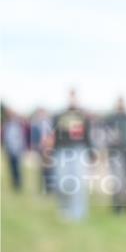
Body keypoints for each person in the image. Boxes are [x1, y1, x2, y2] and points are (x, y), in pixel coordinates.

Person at [48, 90, 93, 221]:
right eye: (70, 97)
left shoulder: (83, 116)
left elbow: (87, 136)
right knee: (61, 182)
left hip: (78, 150)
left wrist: (91, 153)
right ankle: (64, 209)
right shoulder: (59, 115)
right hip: (62, 151)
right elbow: (54, 136)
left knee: (78, 183)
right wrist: (51, 152)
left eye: (74, 97)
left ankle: (79, 213)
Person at [103, 97, 126, 213]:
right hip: (116, 153)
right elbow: (107, 136)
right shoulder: (111, 120)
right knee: (118, 179)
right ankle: (118, 205)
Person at [29, 108, 55, 194]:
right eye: (40, 114)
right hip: (40, 150)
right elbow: (33, 138)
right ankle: (43, 188)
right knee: (42, 170)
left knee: (50, 169)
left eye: (43, 113)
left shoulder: (51, 124)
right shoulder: (35, 125)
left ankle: (50, 188)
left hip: (50, 150)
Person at [2, 107, 27, 192]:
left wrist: (20, 149)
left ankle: (18, 185)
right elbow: (6, 137)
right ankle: (14, 184)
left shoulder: (18, 125)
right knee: (11, 168)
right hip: (9, 149)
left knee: (17, 168)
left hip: (16, 150)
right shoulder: (7, 124)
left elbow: (21, 138)